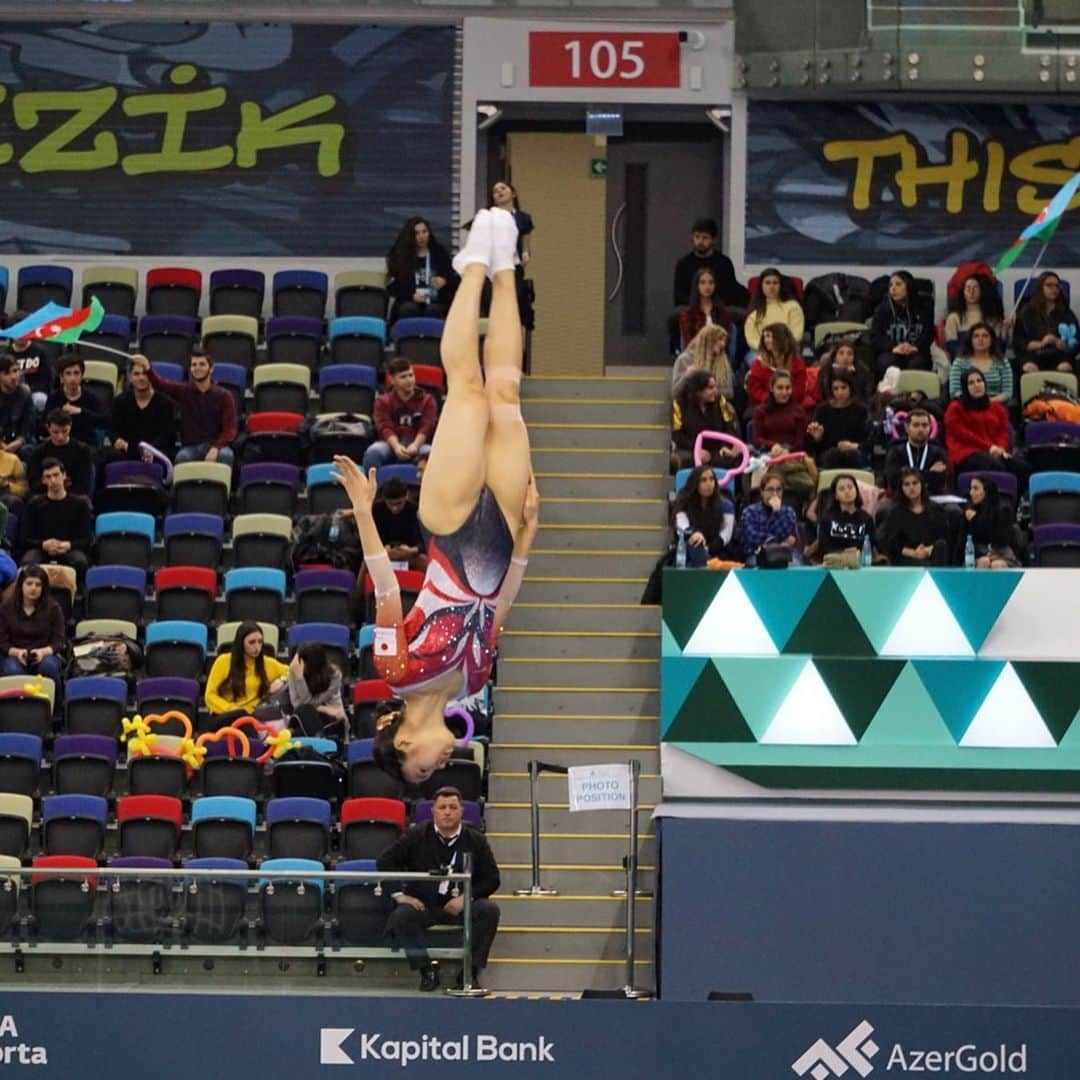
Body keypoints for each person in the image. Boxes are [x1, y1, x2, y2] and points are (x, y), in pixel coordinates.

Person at [335, 207, 538, 785]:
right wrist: (527, 536)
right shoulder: (473, 682)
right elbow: (499, 607)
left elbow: (386, 585)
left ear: (402, 742)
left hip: (449, 524)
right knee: (506, 392)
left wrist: (364, 514)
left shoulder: (395, 668)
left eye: (422, 772)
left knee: (469, 393)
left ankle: (471, 264)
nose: (439, 768)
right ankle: (504, 269)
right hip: (499, 529)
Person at [377, 785, 501, 991]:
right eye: (442, 807)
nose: (448, 812)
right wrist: (400, 895)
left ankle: (468, 972)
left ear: (462, 811)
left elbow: (492, 879)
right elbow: (385, 862)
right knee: (401, 916)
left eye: (453, 807)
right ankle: (426, 971)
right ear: (433, 811)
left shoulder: (476, 840)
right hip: (424, 905)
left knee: (490, 911)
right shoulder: (416, 835)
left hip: (460, 905)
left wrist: (466, 898)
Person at [147, 346, 237, 466]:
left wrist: (216, 448)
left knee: (226, 456)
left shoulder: (225, 395)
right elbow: (160, 385)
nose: (197, 368)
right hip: (191, 448)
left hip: (217, 446)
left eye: (202, 364)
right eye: (194, 365)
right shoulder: (184, 390)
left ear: (211, 368)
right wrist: (148, 369)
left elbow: (229, 430)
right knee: (181, 458)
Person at [669, 219, 747, 354]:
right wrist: (699, 305)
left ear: (714, 240)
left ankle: (735, 357)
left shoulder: (723, 262)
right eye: (697, 237)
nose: (700, 241)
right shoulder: (684, 263)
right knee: (675, 315)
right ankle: (679, 351)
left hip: (719, 306)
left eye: (705, 238)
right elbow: (679, 294)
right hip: (691, 305)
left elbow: (732, 289)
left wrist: (716, 305)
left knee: (742, 316)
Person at [18, 457, 92, 580]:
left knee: (81, 562)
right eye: (48, 477)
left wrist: (68, 545)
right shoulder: (34, 504)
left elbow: (87, 539)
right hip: (41, 549)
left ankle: (77, 596)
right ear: (43, 480)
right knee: (27, 562)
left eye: (56, 475)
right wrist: (43, 544)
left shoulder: (80, 504)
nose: (53, 480)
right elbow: (24, 539)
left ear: (64, 475)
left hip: (69, 548)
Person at [361, 358, 438, 472]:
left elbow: (427, 426)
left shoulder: (428, 400)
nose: (409, 380)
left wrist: (415, 446)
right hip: (390, 445)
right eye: (403, 377)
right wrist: (396, 446)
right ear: (392, 380)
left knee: (433, 455)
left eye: (411, 375)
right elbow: (385, 427)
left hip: (418, 445)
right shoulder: (382, 401)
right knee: (373, 453)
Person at [204, 620, 290, 719]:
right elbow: (209, 696)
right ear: (241, 643)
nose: (257, 647)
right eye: (252, 642)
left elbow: (292, 671)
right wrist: (232, 709)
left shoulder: (267, 663)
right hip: (227, 715)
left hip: (255, 716)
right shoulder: (223, 661)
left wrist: (282, 679)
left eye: (260, 642)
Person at [944, 369, 1016, 477]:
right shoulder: (955, 408)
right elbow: (963, 435)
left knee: (1020, 467)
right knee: (996, 465)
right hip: (966, 452)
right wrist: (990, 448)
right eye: (971, 383)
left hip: (994, 451)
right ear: (965, 387)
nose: (976, 385)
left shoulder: (997, 408)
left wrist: (1000, 449)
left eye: (979, 381)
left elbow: (1003, 432)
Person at [0, 564, 64, 683]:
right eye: (29, 583)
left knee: (48, 667)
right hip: (14, 654)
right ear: (21, 586)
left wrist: (42, 652)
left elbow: (59, 642)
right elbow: (2, 642)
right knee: (12, 670)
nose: (33, 588)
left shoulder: (53, 608)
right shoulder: (6, 608)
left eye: (38, 584)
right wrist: (17, 652)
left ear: (43, 588)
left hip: (44, 654)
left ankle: (56, 702)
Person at [109, 353, 178, 461]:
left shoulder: (166, 403)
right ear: (130, 377)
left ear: (151, 375)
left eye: (145, 373)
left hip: (156, 451)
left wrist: (151, 450)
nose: (141, 378)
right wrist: (117, 440)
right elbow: (112, 430)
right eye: (136, 374)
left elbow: (167, 435)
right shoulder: (119, 401)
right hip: (127, 450)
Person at [387, 217, 456, 322]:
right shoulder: (401, 257)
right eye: (417, 233)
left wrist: (444, 280)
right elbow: (393, 287)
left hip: (436, 300)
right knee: (409, 308)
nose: (421, 236)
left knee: (434, 309)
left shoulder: (440, 253)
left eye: (424, 232)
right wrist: (411, 295)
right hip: (409, 300)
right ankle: (409, 338)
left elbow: (454, 279)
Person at [670, 370, 740, 472]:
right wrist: (696, 449)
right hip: (689, 448)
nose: (715, 391)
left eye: (715, 387)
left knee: (728, 459)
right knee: (688, 460)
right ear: (698, 391)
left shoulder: (720, 401)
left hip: (716, 448)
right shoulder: (679, 405)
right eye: (710, 388)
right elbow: (677, 435)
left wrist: (725, 446)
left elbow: (729, 427)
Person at [1012, 271, 1080, 373]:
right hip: (1033, 354)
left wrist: (1062, 344)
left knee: (1064, 367)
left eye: (1057, 286)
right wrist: (1041, 343)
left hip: (1059, 355)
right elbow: (1018, 343)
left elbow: (1075, 343)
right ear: (1040, 287)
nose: (1054, 289)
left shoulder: (1066, 312)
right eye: (1049, 285)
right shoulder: (1027, 311)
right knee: (1029, 367)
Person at [870, 270, 934, 375]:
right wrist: (893, 347)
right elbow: (875, 337)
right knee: (887, 362)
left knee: (917, 363)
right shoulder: (882, 309)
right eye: (890, 285)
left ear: (908, 287)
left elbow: (928, 333)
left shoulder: (923, 307)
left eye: (898, 284)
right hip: (891, 351)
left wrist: (915, 347)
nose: (893, 289)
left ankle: (915, 391)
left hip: (916, 350)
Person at [882, 468, 950, 566]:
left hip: (931, 555)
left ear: (922, 485)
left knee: (941, 546)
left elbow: (944, 538)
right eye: (907, 484)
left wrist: (927, 550)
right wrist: (914, 553)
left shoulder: (936, 509)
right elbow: (891, 544)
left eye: (915, 483)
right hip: (906, 558)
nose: (911, 488)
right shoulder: (895, 512)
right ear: (901, 488)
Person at [491, 181, 535, 329]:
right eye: (495, 191)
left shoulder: (522, 217)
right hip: (495, 266)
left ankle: (524, 324)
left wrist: (525, 253)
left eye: (503, 188)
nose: (499, 192)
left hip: (513, 264)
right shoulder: (490, 217)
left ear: (513, 194)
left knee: (518, 296)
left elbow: (525, 239)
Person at [672, 465, 736, 566]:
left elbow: (726, 534)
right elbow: (681, 525)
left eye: (711, 479)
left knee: (699, 550)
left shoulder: (726, 505)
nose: (709, 484)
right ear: (695, 483)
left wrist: (708, 548)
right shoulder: (683, 502)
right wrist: (694, 533)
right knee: (696, 544)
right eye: (703, 480)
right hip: (690, 546)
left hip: (718, 549)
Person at [738, 470, 803, 568]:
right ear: (762, 492)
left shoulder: (789, 512)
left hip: (785, 554)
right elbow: (752, 537)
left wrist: (777, 512)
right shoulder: (749, 512)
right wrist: (778, 541)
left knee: (795, 565)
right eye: (770, 489)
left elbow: (788, 535)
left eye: (779, 489)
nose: (775, 494)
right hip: (757, 554)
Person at [806, 370, 869, 469]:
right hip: (829, 455)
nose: (840, 392)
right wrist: (817, 438)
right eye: (836, 389)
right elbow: (815, 447)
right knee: (832, 455)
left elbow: (868, 440)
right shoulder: (822, 410)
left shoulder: (861, 410)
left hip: (855, 452)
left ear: (850, 387)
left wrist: (854, 446)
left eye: (843, 387)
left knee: (852, 456)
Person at [883, 407, 950, 497]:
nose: (921, 429)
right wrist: (929, 473)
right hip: (902, 499)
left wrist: (907, 476)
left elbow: (939, 482)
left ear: (930, 427)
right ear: (906, 428)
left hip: (932, 498)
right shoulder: (895, 451)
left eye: (924, 425)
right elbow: (893, 480)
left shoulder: (938, 452)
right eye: (916, 425)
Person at [43, 355, 108, 447]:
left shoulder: (91, 397)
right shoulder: (54, 397)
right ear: (61, 377)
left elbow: (103, 422)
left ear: (82, 376)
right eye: (68, 373)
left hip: (86, 446)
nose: (73, 378)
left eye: (76, 373)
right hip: (59, 444)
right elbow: (44, 424)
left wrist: (80, 411)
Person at [26, 410, 92, 496]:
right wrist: (59, 484)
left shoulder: (82, 450)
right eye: (55, 432)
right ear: (48, 428)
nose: (60, 437)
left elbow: (84, 484)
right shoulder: (38, 452)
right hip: (45, 496)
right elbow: (33, 484)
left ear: (70, 426)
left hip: (74, 497)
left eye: (65, 431)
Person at [286, 642, 347, 735]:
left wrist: (299, 679)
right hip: (305, 717)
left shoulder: (334, 675)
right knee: (303, 720)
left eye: (304, 664)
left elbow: (309, 702)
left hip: (331, 717)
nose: (301, 667)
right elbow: (297, 705)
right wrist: (299, 677)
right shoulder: (295, 669)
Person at [816, 473, 874, 568]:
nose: (847, 491)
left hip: (860, 565)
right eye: (842, 489)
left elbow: (869, 546)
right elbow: (824, 548)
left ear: (856, 490)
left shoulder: (867, 519)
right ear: (836, 496)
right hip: (834, 565)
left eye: (850, 487)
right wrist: (848, 555)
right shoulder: (827, 519)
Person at [371, 476, 428, 572]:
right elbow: (370, 537)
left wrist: (412, 550)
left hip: (410, 553)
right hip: (383, 554)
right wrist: (382, 549)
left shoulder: (416, 511)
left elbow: (424, 541)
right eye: (390, 504)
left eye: (399, 503)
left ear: (407, 496)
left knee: (426, 563)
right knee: (366, 562)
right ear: (384, 499)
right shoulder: (376, 510)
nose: (394, 508)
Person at [948, 322, 1013, 404]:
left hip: (994, 406)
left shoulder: (1002, 362)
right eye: (976, 336)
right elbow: (955, 392)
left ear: (991, 340)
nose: (980, 339)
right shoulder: (959, 362)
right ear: (970, 340)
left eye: (985, 336)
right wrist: (973, 403)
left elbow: (1007, 393)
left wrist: (987, 402)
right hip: (967, 406)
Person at [963, 475, 1019, 569]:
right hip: (976, 555)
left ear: (986, 491)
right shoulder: (969, 512)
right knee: (984, 562)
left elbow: (1001, 540)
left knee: (997, 565)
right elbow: (964, 542)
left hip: (1001, 554)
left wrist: (977, 519)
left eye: (975, 488)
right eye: (971, 488)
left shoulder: (1003, 510)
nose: (971, 492)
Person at [743, 268, 805, 352]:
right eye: (767, 283)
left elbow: (796, 334)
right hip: (760, 352)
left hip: (787, 350)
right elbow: (751, 338)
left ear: (780, 286)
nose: (771, 287)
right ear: (761, 286)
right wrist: (767, 349)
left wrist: (779, 348)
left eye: (775, 283)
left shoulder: (793, 306)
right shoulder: (755, 309)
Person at [746, 324, 807, 408]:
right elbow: (754, 390)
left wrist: (784, 400)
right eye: (765, 337)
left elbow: (799, 391)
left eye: (769, 336)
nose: (766, 340)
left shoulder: (797, 364)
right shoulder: (759, 363)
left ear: (780, 338)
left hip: (791, 408)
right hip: (764, 407)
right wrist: (772, 401)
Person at [944, 274, 1005, 353]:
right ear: (963, 292)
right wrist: (972, 358)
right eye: (968, 288)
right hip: (963, 362)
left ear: (982, 291)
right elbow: (951, 347)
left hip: (988, 361)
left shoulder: (992, 318)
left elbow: (999, 349)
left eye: (975, 288)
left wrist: (1004, 332)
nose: (971, 292)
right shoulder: (954, 318)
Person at [751, 370, 807, 456]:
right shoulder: (760, 411)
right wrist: (773, 446)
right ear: (771, 388)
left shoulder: (799, 411)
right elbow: (757, 439)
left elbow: (800, 442)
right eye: (780, 388)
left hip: (792, 455)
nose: (784, 392)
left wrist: (788, 451)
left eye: (788, 388)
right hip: (767, 454)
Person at [671, 324, 734, 399]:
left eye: (724, 341)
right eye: (719, 339)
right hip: (690, 407)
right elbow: (675, 393)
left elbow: (729, 393)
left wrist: (709, 392)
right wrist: (686, 376)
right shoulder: (685, 359)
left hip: (715, 407)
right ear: (708, 340)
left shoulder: (724, 362)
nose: (723, 344)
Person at [678, 268, 732, 348]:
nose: (707, 287)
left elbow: (726, 336)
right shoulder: (687, 314)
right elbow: (688, 341)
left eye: (711, 283)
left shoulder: (723, 312)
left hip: (717, 353)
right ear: (697, 286)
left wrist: (720, 344)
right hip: (695, 353)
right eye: (703, 283)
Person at [8, 320, 52, 413]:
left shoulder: (40, 352)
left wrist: (30, 389)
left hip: (35, 392)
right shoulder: (6, 354)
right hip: (11, 392)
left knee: (41, 400)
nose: (21, 335)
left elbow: (46, 380)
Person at [816, 339, 875, 405]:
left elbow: (867, 397)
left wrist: (851, 376)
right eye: (841, 353)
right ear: (835, 356)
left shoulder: (863, 372)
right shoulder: (825, 372)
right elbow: (822, 396)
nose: (845, 357)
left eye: (849, 354)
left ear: (854, 357)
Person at [0, 353, 35, 459]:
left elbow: (28, 426)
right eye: (7, 373)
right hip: (2, 441)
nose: (14, 377)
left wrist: (18, 442)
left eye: (15, 371)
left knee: (28, 451)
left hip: (20, 443)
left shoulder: (25, 394)